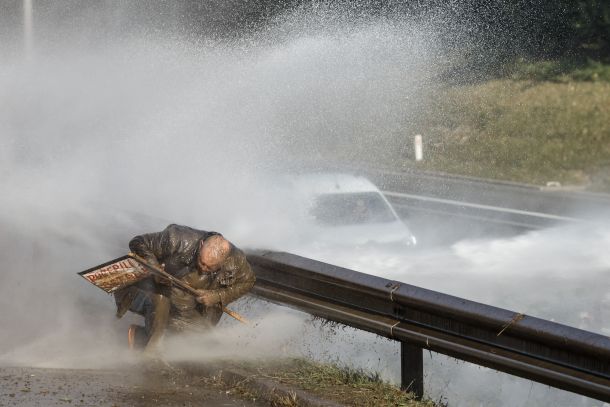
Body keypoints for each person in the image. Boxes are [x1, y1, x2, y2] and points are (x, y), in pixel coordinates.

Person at [114, 224, 255, 353]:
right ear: (201, 245)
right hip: (150, 291)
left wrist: (217, 296)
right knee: (163, 313)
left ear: (224, 261)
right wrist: (155, 269)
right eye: (201, 262)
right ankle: (150, 351)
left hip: (188, 306)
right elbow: (137, 242)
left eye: (209, 267)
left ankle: (140, 337)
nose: (203, 268)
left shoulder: (236, 261)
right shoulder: (178, 238)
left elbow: (248, 282)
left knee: (205, 344)